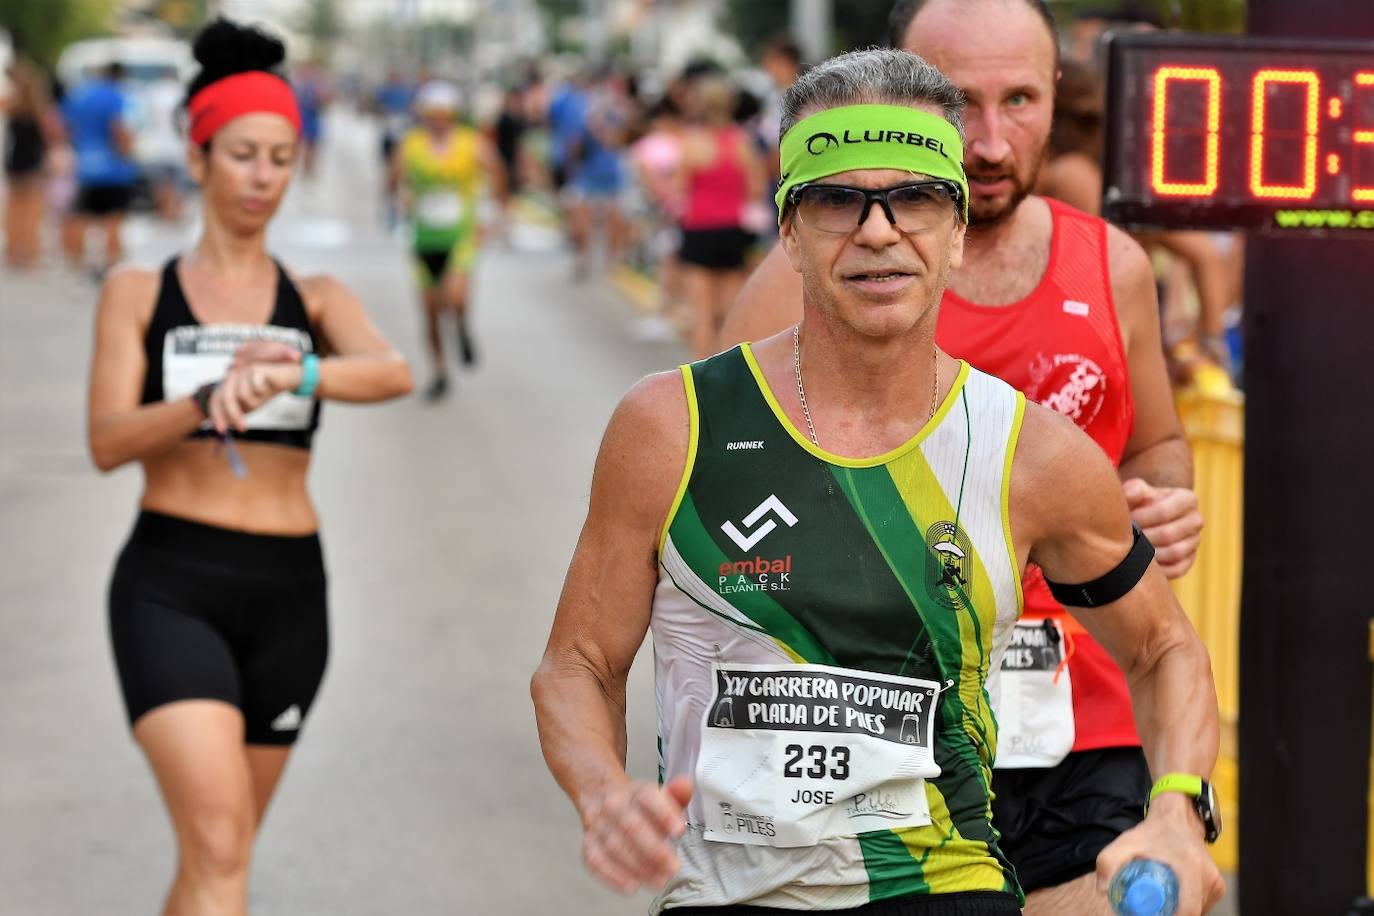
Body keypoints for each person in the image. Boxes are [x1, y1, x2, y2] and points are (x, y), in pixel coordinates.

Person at [532, 47, 1223, 916]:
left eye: (917, 198)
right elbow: (577, 662)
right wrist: (601, 793)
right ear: (788, 229)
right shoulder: (671, 426)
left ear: (959, 228)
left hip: (942, 883)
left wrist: (1177, 810)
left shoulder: (1031, 455)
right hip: (727, 893)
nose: (878, 231)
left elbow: (1164, 649)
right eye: (835, 200)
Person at [716, 2, 1206, 913]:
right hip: (883, 730)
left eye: (1019, 100)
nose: (987, 141)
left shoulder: (1115, 265)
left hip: (1085, 713)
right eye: (957, 104)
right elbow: (722, 501)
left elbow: (1157, 442)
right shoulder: (802, 279)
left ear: (1056, 94)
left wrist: (1165, 498)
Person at [86, 20, 412, 914]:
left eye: (279, 156)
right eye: (241, 154)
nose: (261, 176)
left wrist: (294, 368)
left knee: (214, 859)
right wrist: (200, 401)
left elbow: (392, 372)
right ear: (197, 159)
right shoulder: (139, 291)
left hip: (288, 595)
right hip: (170, 584)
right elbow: (107, 440)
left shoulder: (314, 298)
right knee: (222, 840)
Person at [392, 80, 507, 400]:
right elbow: (393, 178)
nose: (438, 119)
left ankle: (461, 323)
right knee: (429, 312)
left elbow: (498, 172)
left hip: (461, 237)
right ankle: (440, 371)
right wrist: (398, 199)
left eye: (444, 113)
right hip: (424, 238)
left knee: (454, 297)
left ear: (453, 115)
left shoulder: (472, 144)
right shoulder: (411, 144)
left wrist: (496, 214)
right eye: (432, 113)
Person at [675, 75, 764, 358]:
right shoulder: (742, 142)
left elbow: (678, 188)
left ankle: (699, 381)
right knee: (728, 313)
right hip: (732, 229)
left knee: (700, 313)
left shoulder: (692, 143)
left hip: (699, 228)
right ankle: (729, 375)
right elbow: (756, 188)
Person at [60, 60, 137, 272]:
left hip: (85, 165)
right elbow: (120, 128)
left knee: (81, 215)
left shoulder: (82, 94)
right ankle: (111, 263)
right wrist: (128, 151)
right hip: (113, 168)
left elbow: (64, 124)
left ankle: (77, 261)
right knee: (113, 217)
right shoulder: (116, 96)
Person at [3, 47, 61, 267]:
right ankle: (29, 252)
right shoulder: (41, 109)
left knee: (14, 208)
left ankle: (13, 250)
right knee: (33, 209)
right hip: (34, 161)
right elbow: (52, 137)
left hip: (15, 160)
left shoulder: (12, 105)